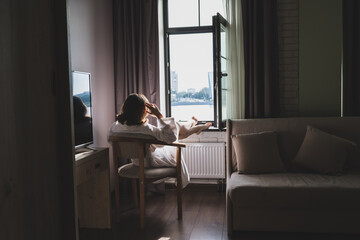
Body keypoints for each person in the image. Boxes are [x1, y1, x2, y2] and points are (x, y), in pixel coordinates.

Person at [108, 93, 211, 188]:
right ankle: (193, 125)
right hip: (151, 163)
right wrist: (159, 115)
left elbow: (111, 141)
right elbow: (171, 137)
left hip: (136, 163)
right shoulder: (146, 129)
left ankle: (193, 126)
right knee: (175, 129)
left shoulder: (114, 127)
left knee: (175, 128)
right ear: (144, 110)